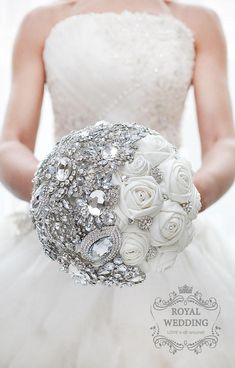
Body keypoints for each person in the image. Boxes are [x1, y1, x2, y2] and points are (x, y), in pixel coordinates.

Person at [0, 0, 235, 366]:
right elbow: (11, 141)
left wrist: (182, 198)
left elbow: (224, 141)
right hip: (63, 236)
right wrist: (62, 198)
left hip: (164, 233)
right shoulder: (41, 23)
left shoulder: (198, 22)